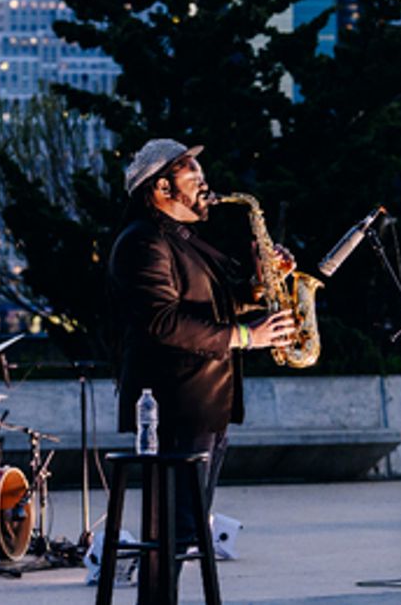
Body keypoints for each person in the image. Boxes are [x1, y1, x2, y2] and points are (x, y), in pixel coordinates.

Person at [109, 138, 296, 554]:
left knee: (186, 532)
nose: (206, 185)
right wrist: (249, 337)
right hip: (173, 405)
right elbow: (163, 322)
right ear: (161, 188)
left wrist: (262, 282)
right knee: (176, 533)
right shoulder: (144, 242)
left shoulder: (181, 239)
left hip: (204, 401)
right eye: (193, 174)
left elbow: (217, 305)